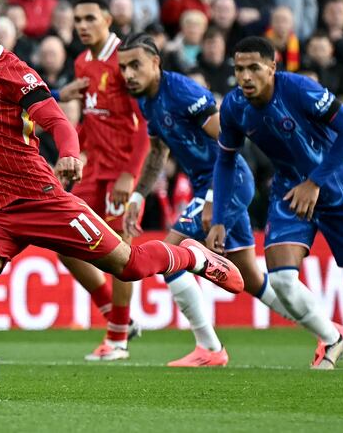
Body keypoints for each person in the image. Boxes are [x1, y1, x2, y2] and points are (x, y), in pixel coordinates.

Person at [0, 0, 243, 382]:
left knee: (128, 266)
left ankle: (192, 257)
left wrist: (70, 152)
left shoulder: (13, 72)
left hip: (39, 199)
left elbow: (56, 120)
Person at [208, 36, 343, 369]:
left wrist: (315, 181)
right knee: (281, 278)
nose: (246, 77)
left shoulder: (299, 89)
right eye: (239, 69)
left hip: (338, 188)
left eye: (254, 68)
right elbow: (225, 161)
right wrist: (219, 218)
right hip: (291, 191)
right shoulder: (235, 107)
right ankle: (331, 337)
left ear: (273, 67)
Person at [119, 33, 296, 367]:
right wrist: (138, 196)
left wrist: (215, 197)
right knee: (254, 280)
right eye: (124, 67)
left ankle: (210, 348)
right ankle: (327, 331)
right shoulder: (147, 100)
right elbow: (158, 152)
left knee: (170, 254)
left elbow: (228, 144)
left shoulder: (183, 92)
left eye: (135, 65)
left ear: (156, 63)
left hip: (227, 182)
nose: (128, 74)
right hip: (208, 187)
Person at [56, 0, 151, 361]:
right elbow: (92, 120)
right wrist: (69, 154)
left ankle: (117, 339)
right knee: (65, 240)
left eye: (90, 18)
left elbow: (144, 126)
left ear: (108, 19)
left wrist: (131, 174)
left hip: (122, 172)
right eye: (77, 18)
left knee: (121, 253)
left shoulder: (125, 61)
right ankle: (116, 313)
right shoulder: (82, 61)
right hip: (93, 168)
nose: (82, 25)